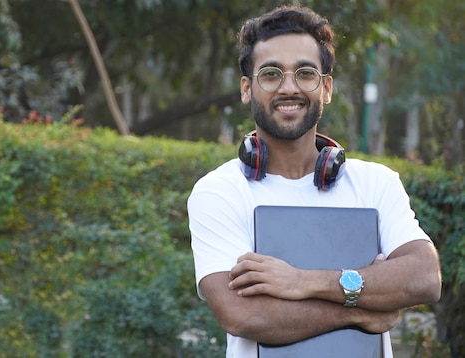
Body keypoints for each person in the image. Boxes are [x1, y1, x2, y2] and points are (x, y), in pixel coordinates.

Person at [187, 5, 442, 357]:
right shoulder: (219, 191)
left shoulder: (376, 183)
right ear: (247, 88)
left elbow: (423, 278)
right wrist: (365, 307)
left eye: (305, 73)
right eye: (271, 74)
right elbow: (243, 315)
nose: (289, 87)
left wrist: (302, 282)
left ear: (326, 88)